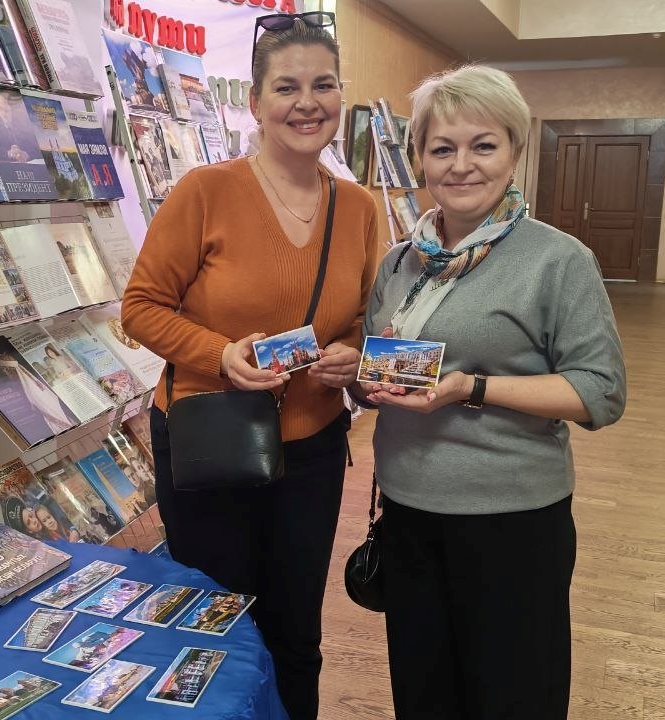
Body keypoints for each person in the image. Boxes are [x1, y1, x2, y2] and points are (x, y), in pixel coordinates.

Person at [121, 12, 380, 719]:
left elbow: (363, 317)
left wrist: (351, 354)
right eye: (287, 87)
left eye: (323, 85)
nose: (307, 103)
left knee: (296, 632)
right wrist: (220, 354)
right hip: (213, 439)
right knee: (213, 628)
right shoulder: (205, 191)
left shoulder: (358, 208)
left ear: (340, 95)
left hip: (313, 451)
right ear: (256, 102)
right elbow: (140, 307)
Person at [350, 64, 626, 719]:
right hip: (408, 512)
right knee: (424, 692)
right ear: (419, 158)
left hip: (511, 520)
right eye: (442, 148)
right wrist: (356, 374)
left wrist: (471, 388)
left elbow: (601, 392)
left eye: (483, 145)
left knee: (513, 696)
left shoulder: (558, 260)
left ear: (513, 153)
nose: (462, 165)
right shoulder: (401, 262)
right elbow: (376, 372)